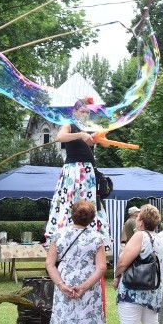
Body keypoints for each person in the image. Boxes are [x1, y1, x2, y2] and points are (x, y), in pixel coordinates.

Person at [45, 200, 108, 324]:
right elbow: (102, 267)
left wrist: (61, 285)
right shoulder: (97, 237)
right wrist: (85, 286)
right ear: (91, 218)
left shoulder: (59, 235)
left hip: (64, 284)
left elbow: (49, 264)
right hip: (87, 288)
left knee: (66, 322)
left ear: (72, 214)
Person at [44, 98, 111, 250]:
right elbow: (59, 137)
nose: (85, 115)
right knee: (69, 202)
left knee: (90, 203)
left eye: (88, 112)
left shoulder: (91, 127)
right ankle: (65, 237)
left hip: (88, 172)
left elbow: (106, 144)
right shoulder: (70, 125)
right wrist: (80, 135)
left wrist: (98, 137)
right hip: (73, 170)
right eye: (82, 111)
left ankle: (90, 237)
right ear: (74, 112)